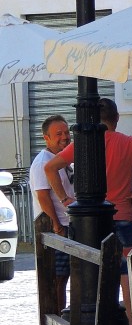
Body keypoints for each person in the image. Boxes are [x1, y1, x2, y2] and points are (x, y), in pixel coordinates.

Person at [45, 98, 132, 325]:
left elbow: (49, 168)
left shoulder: (85, 144)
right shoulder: (130, 143)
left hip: (89, 219)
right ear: (117, 118)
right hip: (121, 213)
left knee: (89, 271)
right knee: (125, 274)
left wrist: (65, 200)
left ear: (92, 119)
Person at [30, 115, 73, 306]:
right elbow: (43, 196)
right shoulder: (42, 162)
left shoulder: (64, 158)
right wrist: (56, 224)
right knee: (58, 278)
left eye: (66, 132)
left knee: (66, 276)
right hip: (58, 228)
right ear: (46, 138)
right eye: (58, 134)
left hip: (68, 224)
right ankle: (57, 321)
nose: (64, 137)